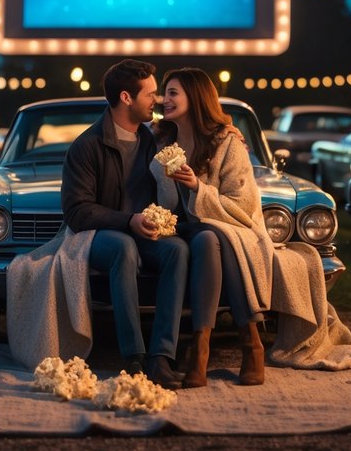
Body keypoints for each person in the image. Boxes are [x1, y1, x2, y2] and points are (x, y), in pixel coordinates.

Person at [60, 58, 189, 389]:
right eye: (150, 93)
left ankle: (161, 356)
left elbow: (195, 128)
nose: (156, 100)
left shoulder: (151, 140)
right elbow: (76, 211)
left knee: (176, 250)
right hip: (96, 236)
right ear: (126, 98)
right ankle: (133, 356)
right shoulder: (88, 145)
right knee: (124, 247)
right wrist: (127, 221)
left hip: (141, 230)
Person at [152, 66, 272, 387]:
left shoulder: (227, 142)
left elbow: (242, 206)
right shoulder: (162, 140)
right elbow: (163, 201)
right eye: (165, 93)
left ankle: (204, 348)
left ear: (196, 97)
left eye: (173, 93)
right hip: (181, 229)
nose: (165, 99)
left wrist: (197, 187)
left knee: (209, 237)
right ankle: (250, 342)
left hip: (233, 228)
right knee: (204, 235)